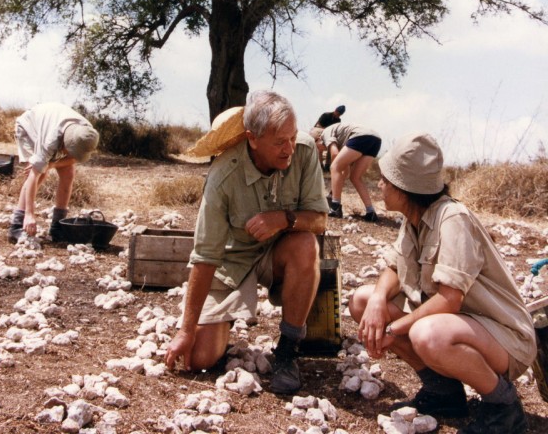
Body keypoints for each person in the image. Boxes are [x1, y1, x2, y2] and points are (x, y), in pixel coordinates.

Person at [349, 132, 536, 434]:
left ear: (405, 188)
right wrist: (376, 301)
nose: (380, 185)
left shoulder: (452, 219)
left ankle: (504, 407)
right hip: (463, 326)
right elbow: (394, 266)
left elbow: (450, 299)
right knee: (363, 299)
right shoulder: (414, 218)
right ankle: (443, 392)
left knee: (427, 334)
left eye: (386, 179)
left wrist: (393, 329)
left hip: (506, 337)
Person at [165, 90, 329, 394]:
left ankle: (288, 350)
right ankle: (222, 321)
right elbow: (205, 255)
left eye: (292, 137)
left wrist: (283, 219)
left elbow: (320, 221)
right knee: (199, 358)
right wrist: (186, 330)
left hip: (281, 253)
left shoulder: (304, 151)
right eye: (279, 142)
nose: (289, 149)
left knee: (306, 244)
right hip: (232, 262)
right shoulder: (223, 176)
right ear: (252, 138)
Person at [8, 102, 100, 243]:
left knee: (68, 173)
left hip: (52, 122)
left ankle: (58, 227)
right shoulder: (49, 141)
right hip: (29, 126)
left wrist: (52, 164)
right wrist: (30, 214)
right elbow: (33, 175)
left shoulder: (87, 134)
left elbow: (73, 159)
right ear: (66, 143)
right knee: (40, 174)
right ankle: (17, 225)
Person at [311, 121, 381, 221]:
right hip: (375, 139)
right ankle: (371, 212)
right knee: (355, 177)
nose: (320, 150)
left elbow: (335, 155)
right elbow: (345, 169)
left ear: (318, 139)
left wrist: (334, 192)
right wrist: (334, 189)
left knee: (334, 166)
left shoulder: (325, 134)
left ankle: (335, 207)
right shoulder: (340, 139)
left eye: (316, 147)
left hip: (361, 136)